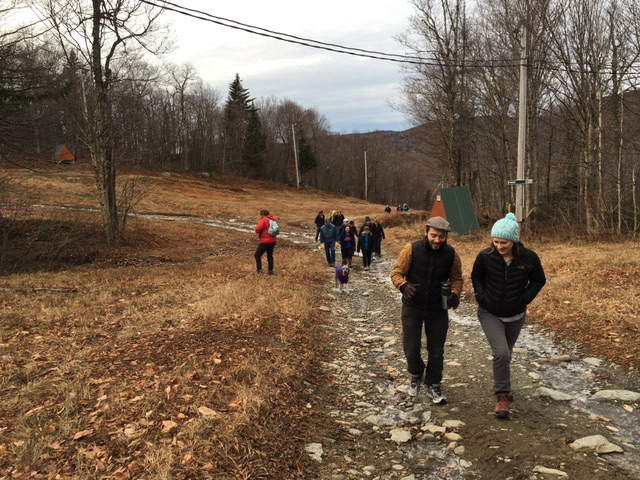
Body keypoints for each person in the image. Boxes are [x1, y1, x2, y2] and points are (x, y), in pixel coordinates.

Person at [471, 213, 546, 419]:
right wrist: (481, 297)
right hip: (490, 313)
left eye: (503, 242)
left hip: (516, 314)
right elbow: (476, 277)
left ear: (513, 240)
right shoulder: (485, 256)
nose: (499, 246)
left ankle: (504, 384)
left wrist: (524, 299)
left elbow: (539, 280)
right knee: (502, 353)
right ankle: (503, 395)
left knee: (507, 352)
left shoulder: (528, 258)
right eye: (495, 241)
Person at [390, 217, 463, 404]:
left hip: (437, 309)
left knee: (436, 350)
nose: (437, 240)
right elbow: (396, 273)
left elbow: (457, 278)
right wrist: (403, 285)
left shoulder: (452, 254)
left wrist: (455, 294)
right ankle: (416, 374)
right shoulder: (411, 249)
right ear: (426, 232)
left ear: (446, 237)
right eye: (433, 236)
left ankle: (433, 383)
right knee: (411, 347)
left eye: (441, 237)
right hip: (413, 306)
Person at [254, 209, 277, 275]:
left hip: (265, 241)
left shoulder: (263, 220)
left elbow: (258, 229)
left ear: (262, 214)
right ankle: (270, 271)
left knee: (257, 255)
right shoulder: (272, 219)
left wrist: (255, 228)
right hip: (273, 240)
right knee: (270, 255)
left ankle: (259, 270)